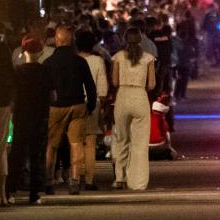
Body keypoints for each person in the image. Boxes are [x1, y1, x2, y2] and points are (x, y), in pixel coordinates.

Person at [43, 26, 97, 196]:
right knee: (76, 144)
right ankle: (74, 181)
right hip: (77, 106)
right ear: (71, 41)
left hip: (56, 107)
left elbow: (44, 88)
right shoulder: (80, 61)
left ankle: (49, 181)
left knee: (51, 145)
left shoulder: (48, 63)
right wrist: (91, 106)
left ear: (57, 41)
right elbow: (90, 86)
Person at [7, 37, 54, 205]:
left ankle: (10, 190)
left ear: (23, 51)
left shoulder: (18, 72)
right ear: (40, 52)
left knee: (17, 155)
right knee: (37, 155)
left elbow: (13, 96)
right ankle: (34, 194)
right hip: (40, 116)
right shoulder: (45, 71)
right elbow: (52, 95)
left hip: (21, 116)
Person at [112, 28, 156, 191]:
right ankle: (137, 181)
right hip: (140, 97)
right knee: (140, 142)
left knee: (122, 139)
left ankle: (120, 178)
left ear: (125, 40)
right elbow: (151, 85)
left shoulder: (117, 57)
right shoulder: (148, 58)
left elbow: (115, 82)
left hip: (123, 96)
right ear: (140, 40)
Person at [75, 29, 108, 191]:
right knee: (90, 143)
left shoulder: (73, 60)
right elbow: (102, 89)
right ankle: (89, 180)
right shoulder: (98, 61)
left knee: (76, 143)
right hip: (92, 104)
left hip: (74, 103)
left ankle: (77, 176)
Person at [0, 26, 14, 206]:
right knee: (0, 147)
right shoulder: (2, 49)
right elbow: (10, 74)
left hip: (2, 100)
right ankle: (1, 193)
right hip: (1, 100)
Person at [148, 94, 177, 161]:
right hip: (159, 144)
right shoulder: (162, 120)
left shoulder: (146, 118)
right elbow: (167, 136)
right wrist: (169, 147)